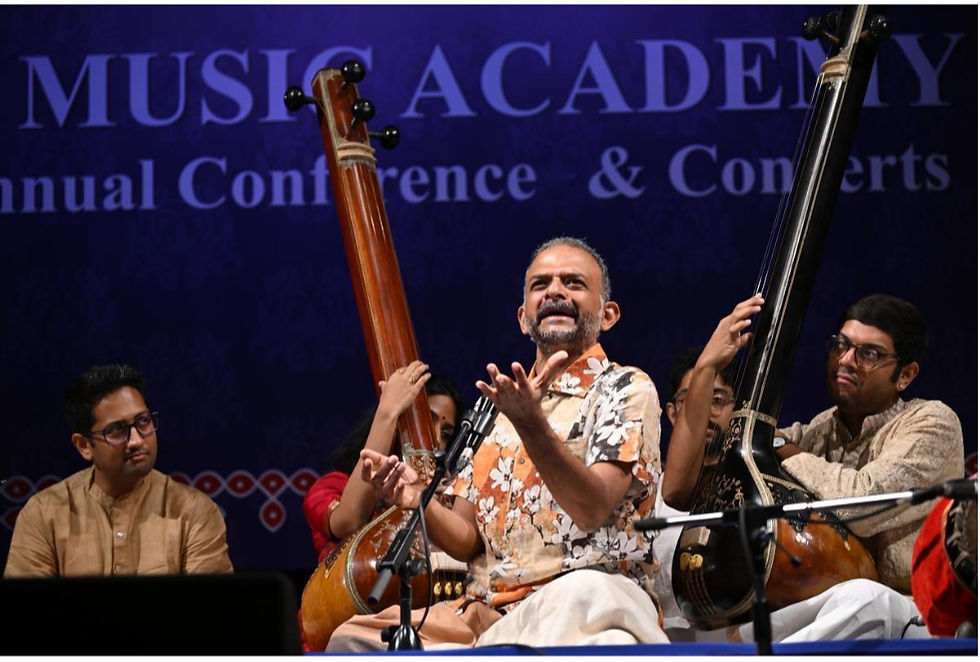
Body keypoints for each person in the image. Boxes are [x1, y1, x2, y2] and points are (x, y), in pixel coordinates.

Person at [327, 236, 667, 651]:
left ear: (608, 315)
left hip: (579, 594)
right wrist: (420, 499)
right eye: (541, 284)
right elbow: (467, 537)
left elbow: (592, 509)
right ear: (524, 318)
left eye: (574, 283)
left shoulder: (625, 388)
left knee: (585, 594)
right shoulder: (496, 409)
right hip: (488, 608)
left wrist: (532, 425)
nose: (555, 290)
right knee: (353, 639)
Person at [664, 293, 964, 642]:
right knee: (710, 628)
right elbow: (682, 491)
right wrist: (706, 368)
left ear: (906, 375)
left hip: (917, 615)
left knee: (866, 598)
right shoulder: (820, 430)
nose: (846, 361)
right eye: (841, 345)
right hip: (836, 608)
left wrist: (785, 450)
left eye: (869, 354)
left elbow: (865, 503)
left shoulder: (932, 422)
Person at [4, 364, 233, 577]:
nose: (135, 440)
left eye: (143, 421)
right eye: (117, 430)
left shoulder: (194, 513)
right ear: (84, 446)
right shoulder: (43, 515)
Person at [302, 366, 463, 563]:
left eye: (446, 434)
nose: (436, 438)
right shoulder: (330, 487)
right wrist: (388, 412)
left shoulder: (452, 497)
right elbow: (348, 522)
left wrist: (437, 504)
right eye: (426, 423)